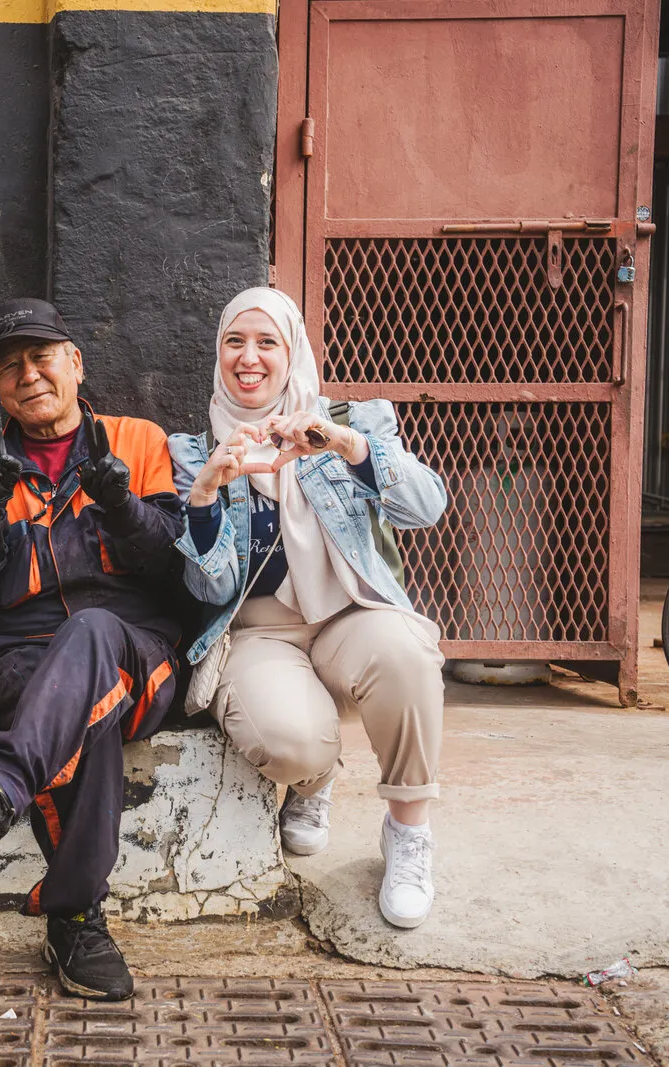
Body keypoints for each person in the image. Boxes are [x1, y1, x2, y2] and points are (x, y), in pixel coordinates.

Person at [168, 287, 448, 929]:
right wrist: (208, 498)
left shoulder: (353, 420)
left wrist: (347, 448)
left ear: (292, 351)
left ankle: (408, 833)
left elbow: (426, 508)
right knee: (286, 740)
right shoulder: (191, 451)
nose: (249, 357)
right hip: (260, 630)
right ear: (218, 354)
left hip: (351, 611)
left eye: (268, 342)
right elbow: (209, 592)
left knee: (406, 654)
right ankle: (314, 781)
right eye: (235, 341)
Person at [0, 298, 185, 1001]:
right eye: (9, 366)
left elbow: (171, 567)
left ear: (75, 363)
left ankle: (0, 788)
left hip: (137, 651)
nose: (28, 374)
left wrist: (123, 505)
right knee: (82, 720)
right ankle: (75, 917)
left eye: (42, 356)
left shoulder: (137, 439)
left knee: (94, 631)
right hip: (22, 656)